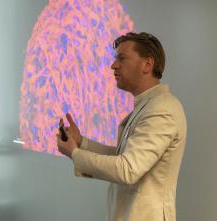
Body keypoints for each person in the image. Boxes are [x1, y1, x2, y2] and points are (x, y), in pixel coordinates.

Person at [57, 32, 187, 221]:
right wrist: (81, 143)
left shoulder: (161, 109)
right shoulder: (149, 105)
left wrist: (75, 154)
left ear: (147, 65)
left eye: (122, 58)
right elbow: (123, 157)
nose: (114, 65)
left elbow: (128, 169)